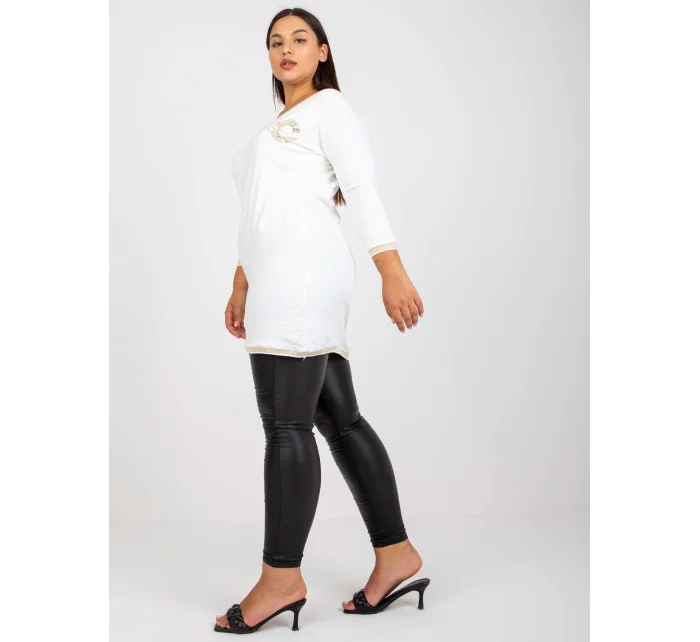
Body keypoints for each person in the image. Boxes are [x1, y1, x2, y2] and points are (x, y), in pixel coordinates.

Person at [216, 8, 429, 634]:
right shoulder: (273, 130)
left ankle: (281, 578)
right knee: (339, 420)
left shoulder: (329, 109)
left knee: (286, 427)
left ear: (323, 51)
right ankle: (396, 554)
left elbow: (360, 188)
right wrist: (240, 284)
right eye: (275, 42)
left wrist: (391, 268)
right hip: (274, 280)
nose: (286, 49)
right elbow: (259, 216)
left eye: (300, 39)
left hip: (304, 276)